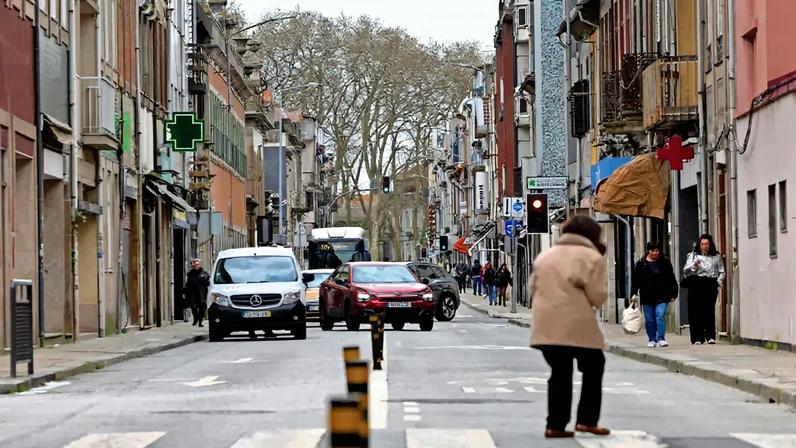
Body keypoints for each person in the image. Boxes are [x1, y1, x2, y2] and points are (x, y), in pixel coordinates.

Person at [530, 215, 610, 439]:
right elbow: (598, 296)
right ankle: (586, 420)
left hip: (545, 325)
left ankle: (554, 424)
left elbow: (532, 289)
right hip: (577, 323)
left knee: (559, 372)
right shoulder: (590, 256)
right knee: (594, 365)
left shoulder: (545, 256)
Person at [631, 241, 679, 348]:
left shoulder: (665, 262)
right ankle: (652, 339)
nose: (655, 253)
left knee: (659, 316)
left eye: (657, 250)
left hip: (662, 295)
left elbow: (671, 278)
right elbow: (636, 281)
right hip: (647, 296)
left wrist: (674, 293)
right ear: (648, 251)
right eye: (653, 250)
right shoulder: (640, 264)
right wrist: (634, 293)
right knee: (649, 319)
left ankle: (661, 338)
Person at [683, 234, 725, 345]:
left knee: (709, 310)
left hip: (710, 284)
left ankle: (710, 336)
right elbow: (686, 271)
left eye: (707, 244)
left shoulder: (716, 256)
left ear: (710, 245)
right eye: (702, 244)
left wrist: (718, 283)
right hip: (696, 283)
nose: (705, 246)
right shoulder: (693, 256)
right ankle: (697, 337)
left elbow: (721, 271)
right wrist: (694, 264)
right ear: (699, 245)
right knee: (696, 311)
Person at [183, 258, 210, 327]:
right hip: (193, 293)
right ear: (193, 265)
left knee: (201, 308)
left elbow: (208, 283)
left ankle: (200, 322)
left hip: (202, 293)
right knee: (193, 306)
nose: (196, 265)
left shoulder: (204, 273)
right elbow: (187, 284)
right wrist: (184, 292)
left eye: (198, 264)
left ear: (199, 265)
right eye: (195, 264)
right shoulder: (190, 274)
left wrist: (205, 281)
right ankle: (195, 319)